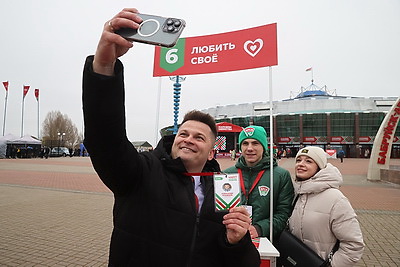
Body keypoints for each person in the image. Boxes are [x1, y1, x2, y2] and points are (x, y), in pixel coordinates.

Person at [82, 8, 260, 267]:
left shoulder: (224, 192)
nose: (188, 139)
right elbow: (105, 140)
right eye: (184, 133)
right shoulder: (141, 173)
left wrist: (236, 242)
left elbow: (245, 263)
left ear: (212, 152)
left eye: (199, 137)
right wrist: (104, 67)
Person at [288, 146, 364, 266]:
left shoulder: (336, 199)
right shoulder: (297, 194)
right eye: (298, 160)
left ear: (320, 167)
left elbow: (354, 245)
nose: (301, 164)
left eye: (308, 161)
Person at [224, 126, 294, 241]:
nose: (249, 148)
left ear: (264, 147)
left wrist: (260, 228)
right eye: (245, 143)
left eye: (255, 143)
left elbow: (284, 213)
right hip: (232, 239)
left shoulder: (280, 175)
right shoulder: (227, 175)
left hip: (265, 241)